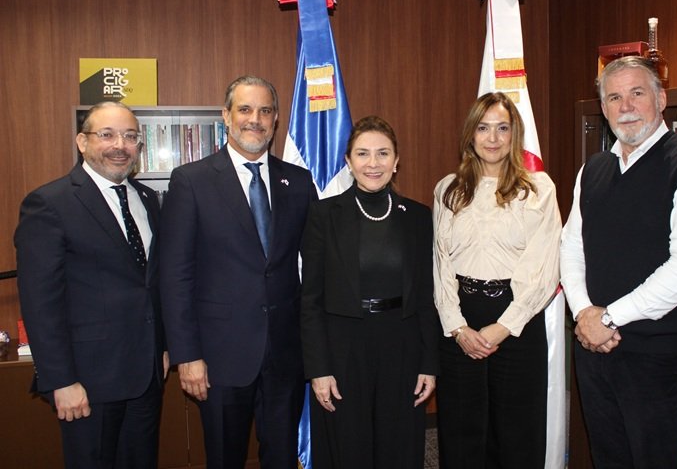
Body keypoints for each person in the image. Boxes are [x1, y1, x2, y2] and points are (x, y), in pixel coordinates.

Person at [560, 56, 677, 468]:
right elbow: (571, 246)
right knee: (607, 457)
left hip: (657, 356)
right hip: (594, 347)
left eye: (637, 93)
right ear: (603, 108)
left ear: (661, 99)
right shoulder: (593, 169)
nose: (626, 106)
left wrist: (608, 318)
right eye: (614, 97)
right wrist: (584, 314)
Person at [159, 76, 317, 469]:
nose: (255, 119)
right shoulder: (191, 181)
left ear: (276, 120)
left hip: (285, 355)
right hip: (220, 358)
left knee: (281, 458)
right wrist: (187, 356)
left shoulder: (297, 181)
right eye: (245, 109)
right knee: (225, 458)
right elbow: (175, 276)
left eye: (265, 111)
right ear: (226, 116)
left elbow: (316, 265)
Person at [15, 101, 168, 468]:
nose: (120, 145)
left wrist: (162, 347)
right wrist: (60, 381)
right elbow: (40, 303)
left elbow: (151, 284)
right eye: (107, 135)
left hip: (146, 375)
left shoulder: (147, 199)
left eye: (130, 137)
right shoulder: (49, 203)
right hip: (87, 381)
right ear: (82, 142)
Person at [301, 115, 440, 468]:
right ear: (348, 162)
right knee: (349, 449)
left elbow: (426, 297)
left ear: (396, 161)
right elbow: (310, 300)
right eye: (362, 154)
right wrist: (318, 369)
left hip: (402, 347)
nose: (373, 163)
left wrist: (429, 363)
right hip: (343, 351)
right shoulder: (323, 215)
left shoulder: (418, 217)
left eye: (383, 153)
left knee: (399, 448)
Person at [433, 92, 562, 468]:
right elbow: (440, 263)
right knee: (461, 431)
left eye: (502, 128)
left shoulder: (538, 189)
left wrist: (503, 327)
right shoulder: (448, 189)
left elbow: (544, 266)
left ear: (514, 134)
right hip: (460, 322)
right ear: (470, 135)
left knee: (516, 433)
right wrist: (458, 327)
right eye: (483, 128)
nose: (492, 138)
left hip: (518, 320)